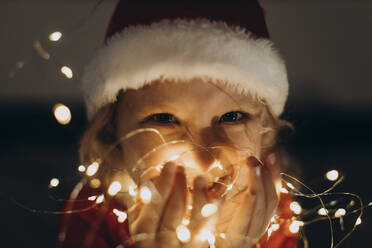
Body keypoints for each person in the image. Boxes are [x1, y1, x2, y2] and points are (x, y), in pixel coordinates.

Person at [59, 0, 298, 247]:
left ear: (265, 130)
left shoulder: (274, 213)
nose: (205, 159)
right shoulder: (92, 212)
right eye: (165, 119)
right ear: (112, 131)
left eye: (233, 117)